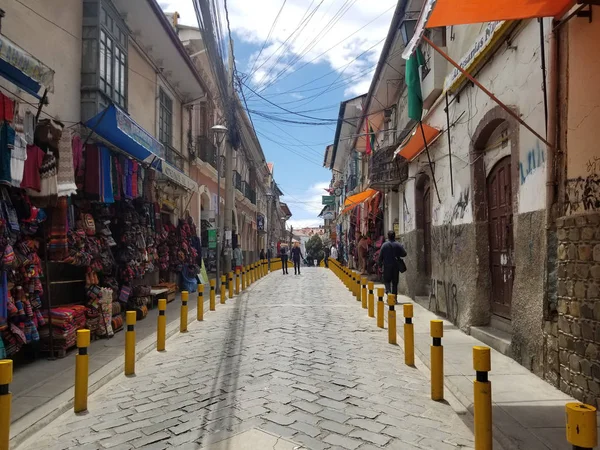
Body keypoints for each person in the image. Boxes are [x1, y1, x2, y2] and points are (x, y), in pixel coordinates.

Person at [378, 230, 407, 295]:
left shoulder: (384, 245)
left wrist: (379, 266)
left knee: (387, 281)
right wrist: (398, 254)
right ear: (395, 236)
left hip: (387, 266)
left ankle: (388, 292)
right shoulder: (398, 245)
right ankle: (394, 298)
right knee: (395, 283)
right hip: (396, 267)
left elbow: (380, 257)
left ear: (388, 236)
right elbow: (404, 254)